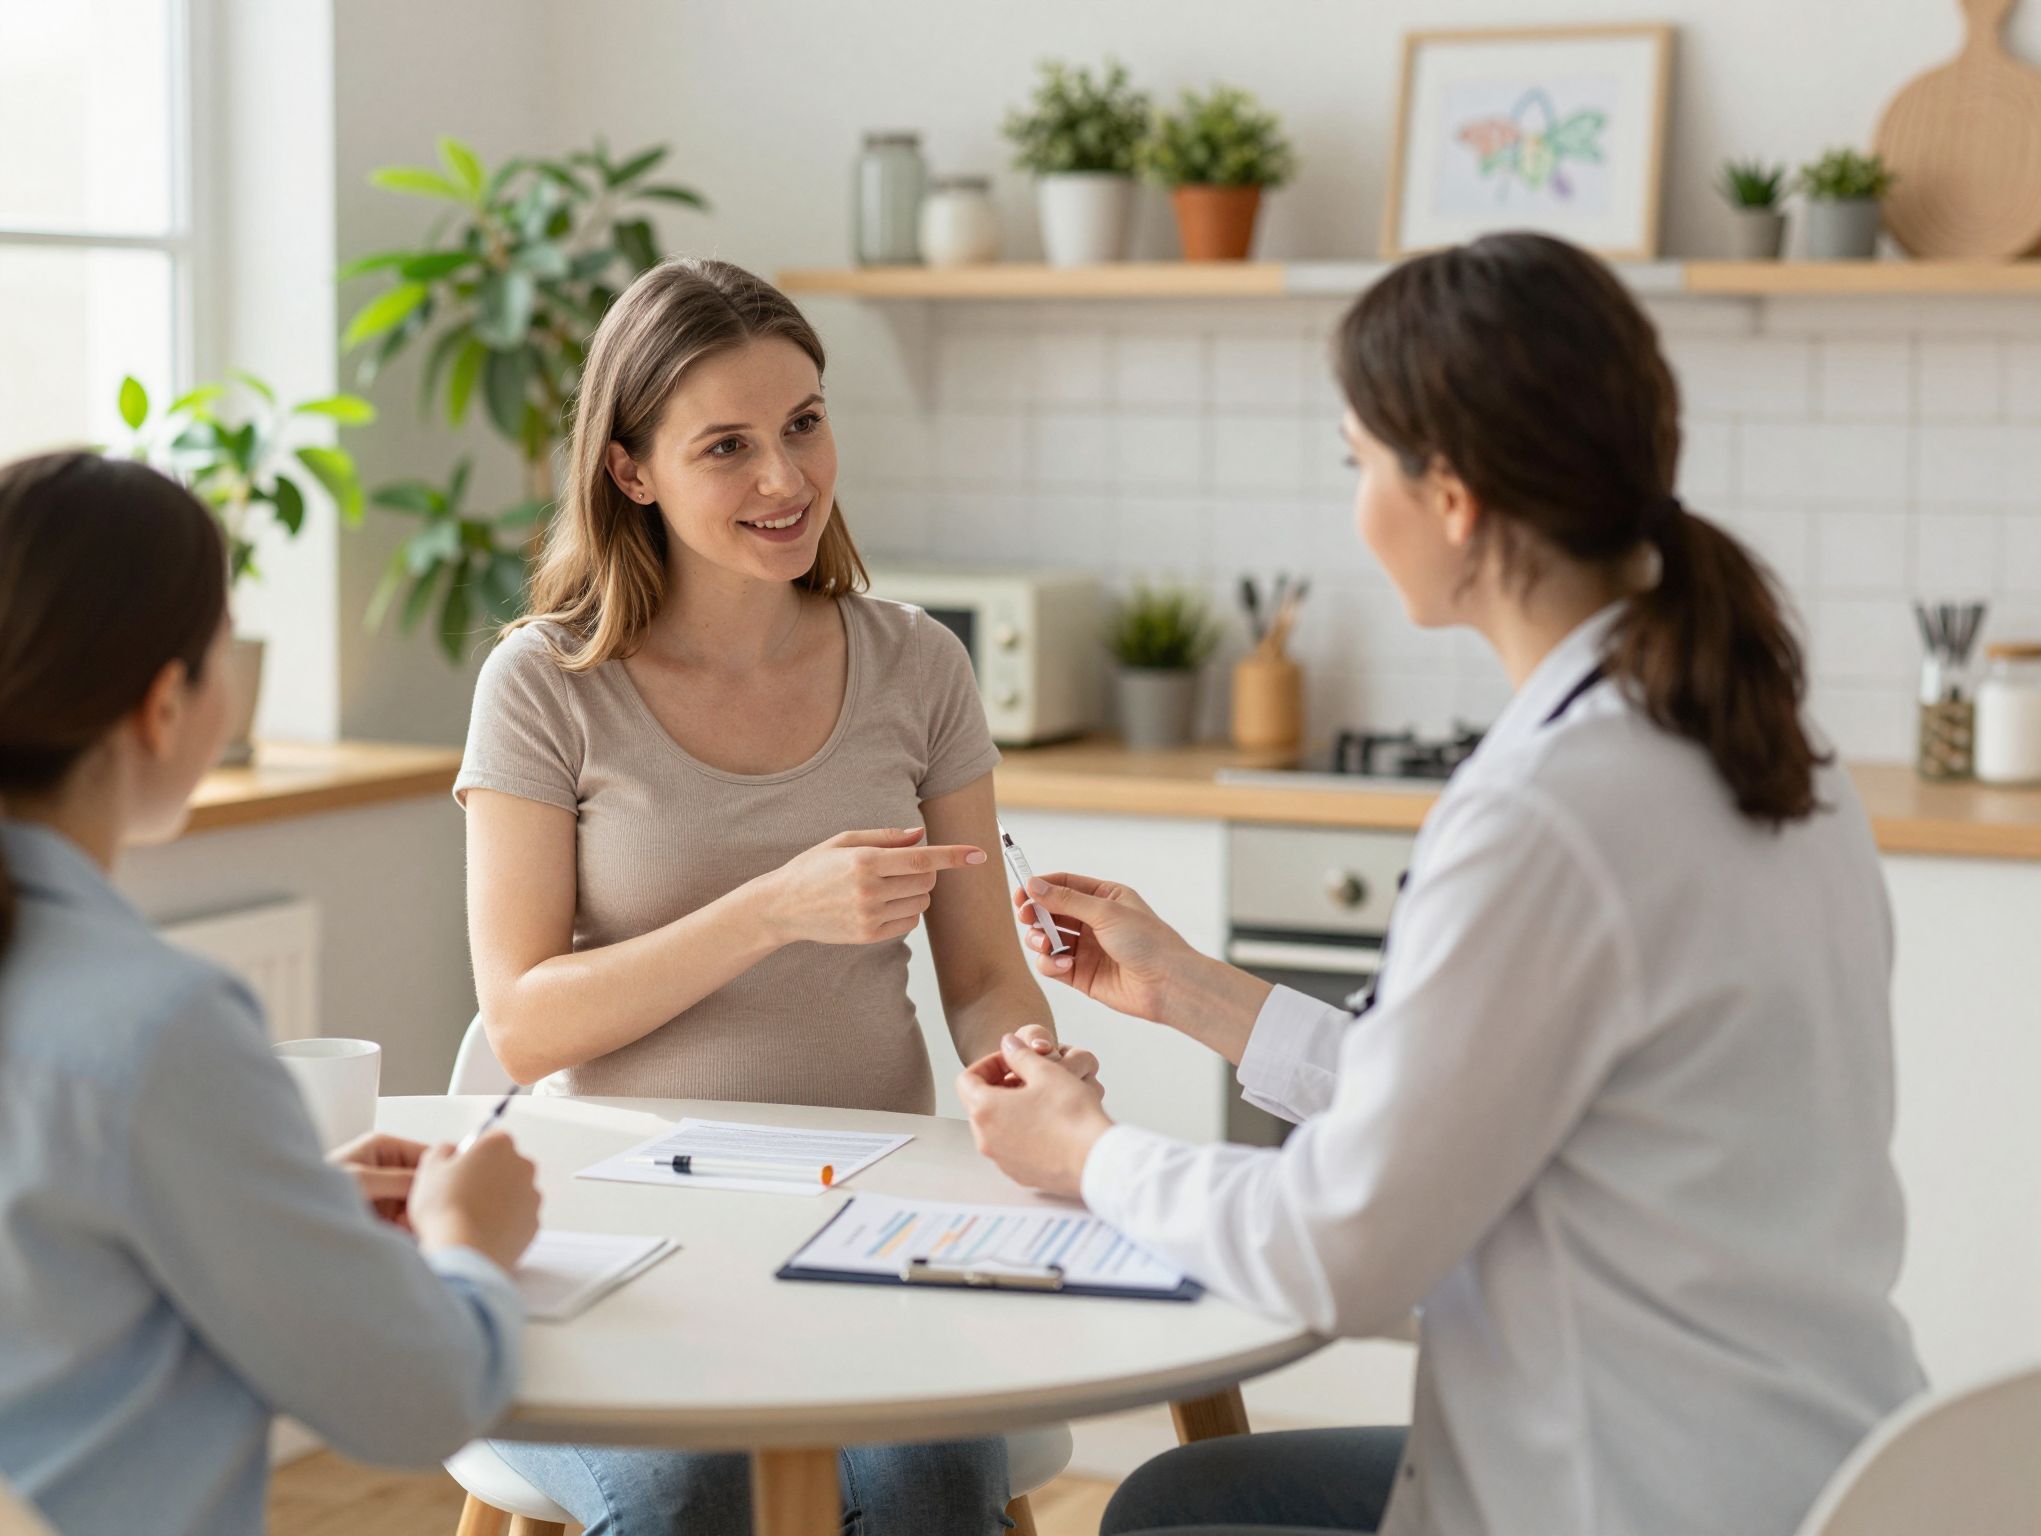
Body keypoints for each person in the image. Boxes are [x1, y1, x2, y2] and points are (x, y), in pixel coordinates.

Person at [957, 233, 1927, 1536]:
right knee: (1196, 1494)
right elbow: (1488, 1093)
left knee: (1168, 1522)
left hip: (1627, 1493)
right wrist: (1196, 992)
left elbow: (1336, 1249)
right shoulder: (1764, 739)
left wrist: (1090, 1154)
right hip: (1831, 1463)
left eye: (1359, 466)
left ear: (1453, 495)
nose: (1357, 507)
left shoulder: (1546, 810)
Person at [457, 257, 1098, 1535]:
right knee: (689, 1494)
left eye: (804, 423)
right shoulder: (545, 684)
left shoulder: (916, 663)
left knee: (926, 1488)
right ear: (630, 469)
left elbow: (978, 976)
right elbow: (522, 1024)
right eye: (728, 446)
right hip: (623, 1237)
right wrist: (769, 908)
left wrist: (1026, 1065)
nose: (785, 480)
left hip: (873, 1230)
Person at [0, 452, 544, 1536]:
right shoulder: (156, 1025)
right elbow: (416, 1400)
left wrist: (277, 1203)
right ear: (165, 705)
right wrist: (467, 1242)